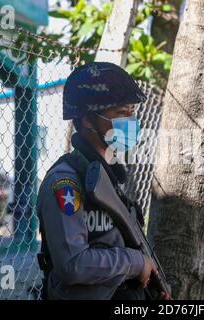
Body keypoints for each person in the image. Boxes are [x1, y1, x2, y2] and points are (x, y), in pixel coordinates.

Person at [36, 62, 163, 300]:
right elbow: (73, 264)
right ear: (87, 120)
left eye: (131, 113)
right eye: (119, 113)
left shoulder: (109, 177)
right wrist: (135, 262)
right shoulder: (65, 182)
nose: (130, 122)